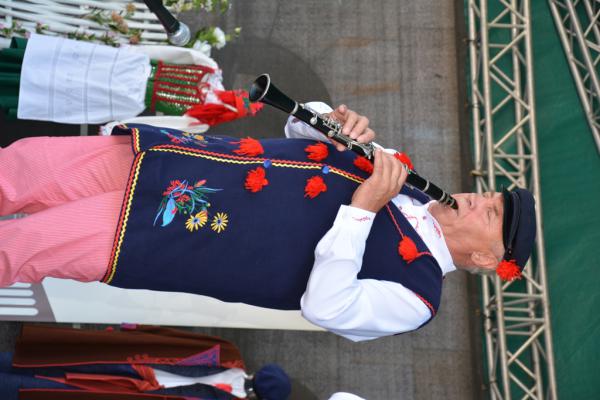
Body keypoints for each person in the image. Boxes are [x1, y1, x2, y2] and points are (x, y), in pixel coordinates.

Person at [0, 103, 536, 342]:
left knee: (19, 245)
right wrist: (329, 121)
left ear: (487, 259)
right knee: (20, 164)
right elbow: (302, 132)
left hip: (165, 231)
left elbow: (326, 307)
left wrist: (363, 211)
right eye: (487, 194)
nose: (473, 198)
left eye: (488, 212)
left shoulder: (415, 298)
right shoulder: (404, 173)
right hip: (172, 159)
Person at [0, 34, 261, 128]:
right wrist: (137, 52)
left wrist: (123, 124)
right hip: (131, 72)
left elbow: (159, 122)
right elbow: (172, 54)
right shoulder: (210, 70)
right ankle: (14, 66)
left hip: (126, 96)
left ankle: (12, 84)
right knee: (70, 68)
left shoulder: (201, 121)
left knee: (67, 87)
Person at [0, 323, 291, 400]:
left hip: (135, 366)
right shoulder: (228, 354)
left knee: (56, 367)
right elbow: (177, 341)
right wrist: (138, 332)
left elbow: (175, 338)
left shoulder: (229, 352)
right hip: (134, 372)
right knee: (56, 382)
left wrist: (137, 331)